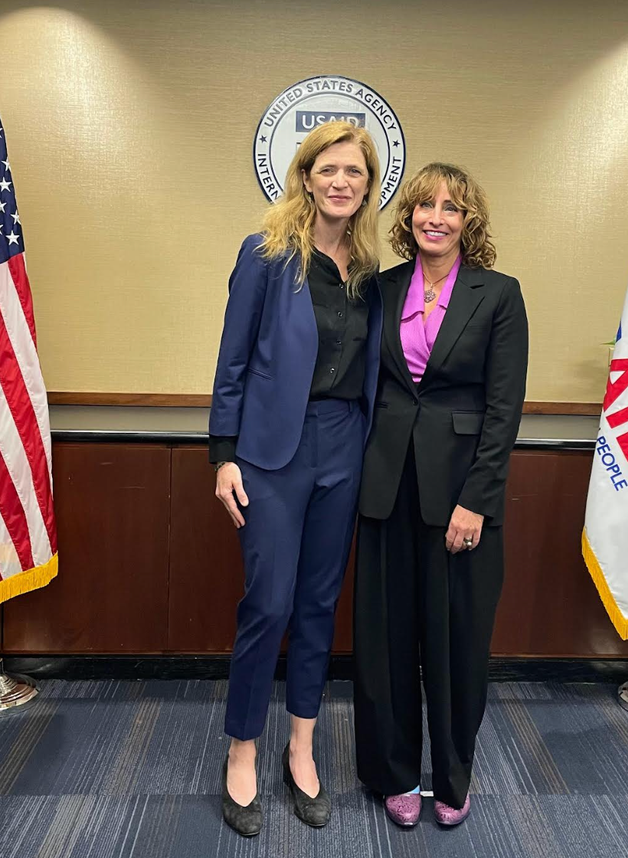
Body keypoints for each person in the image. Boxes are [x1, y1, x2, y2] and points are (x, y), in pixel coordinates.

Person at [209, 121, 382, 836]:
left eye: (356, 173)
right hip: (271, 453)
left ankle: (302, 747)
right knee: (269, 605)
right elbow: (233, 360)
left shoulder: (371, 269)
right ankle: (242, 751)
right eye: (330, 169)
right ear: (306, 176)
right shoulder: (266, 255)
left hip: (345, 446)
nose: (342, 182)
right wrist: (223, 454)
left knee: (319, 605)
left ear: (369, 187)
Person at [353, 162, 528, 828]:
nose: (435, 216)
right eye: (424, 204)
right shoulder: (380, 287)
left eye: (451, 208)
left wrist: (476, 500)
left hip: (461, 495)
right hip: (385, 488)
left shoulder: (499, 294)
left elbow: (503, 407)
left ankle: (453, 776)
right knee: (386, 642)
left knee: (457, 643)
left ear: (468, 222)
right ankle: (394, 772)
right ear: (409, 217)